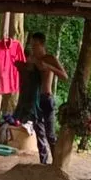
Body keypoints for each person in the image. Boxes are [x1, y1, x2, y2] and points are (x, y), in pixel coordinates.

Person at [14, 32, 68, 165]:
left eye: (36, 45)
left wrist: (48, 67)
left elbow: (64, 76)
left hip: (46, 98)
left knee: (50, 134)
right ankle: (43, 163)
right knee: (39, 134)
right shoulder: (31, 59)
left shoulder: (49, 58)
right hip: (34, 101)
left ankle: (56, 165)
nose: (33, 48)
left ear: (42, 45)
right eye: (31, 46)